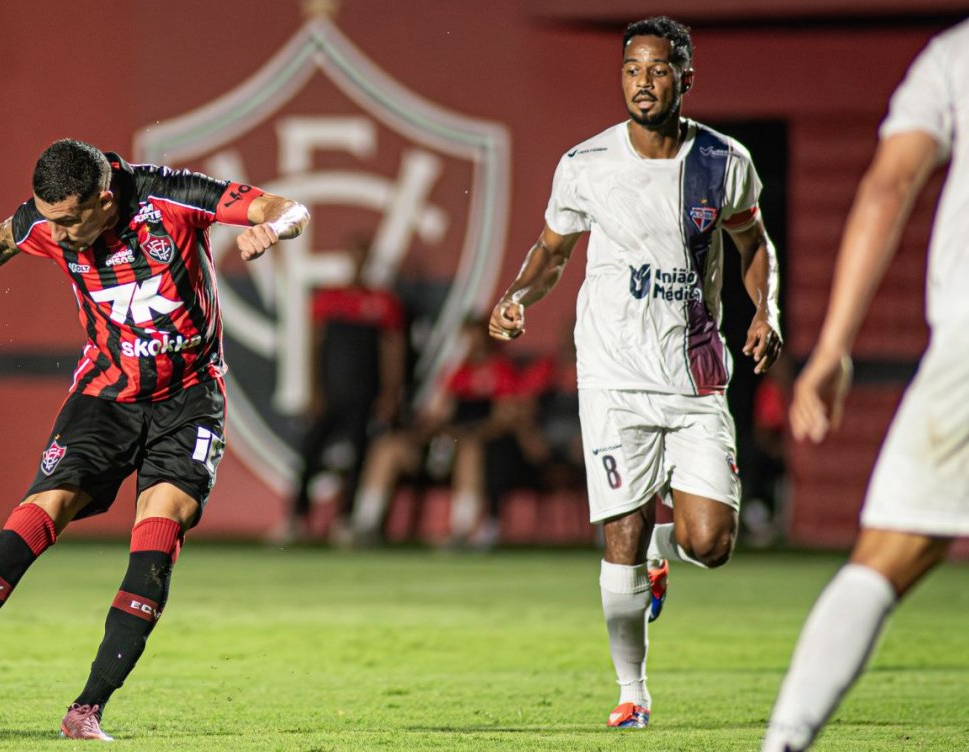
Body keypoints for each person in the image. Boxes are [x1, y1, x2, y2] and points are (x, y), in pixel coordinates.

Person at [0, 138, 308, 741]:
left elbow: (290, 207)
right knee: (38, 513)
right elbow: (0, 239)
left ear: (104, 200)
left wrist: (273, 230)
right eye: (49, 219)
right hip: (104, 398)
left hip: (189, 403)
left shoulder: (172, 197)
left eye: (70, 221)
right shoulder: (48, 219)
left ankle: (86, 710)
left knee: (158, 536)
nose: (58, 234)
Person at [487, 16, 782, 729]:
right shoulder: (586, 164)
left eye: (657, 70)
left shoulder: (724, 161)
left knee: (710, 544)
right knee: (618, 532)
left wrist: (764, 310)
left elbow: (753, 243)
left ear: (685, 77)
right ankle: (632, 693)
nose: (642, 84)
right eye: (631, 70)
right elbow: (551, 251)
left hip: (695, 373)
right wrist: (518, 296)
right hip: (613, 376)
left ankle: (661, 547)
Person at [762, 20, 969, 751]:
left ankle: (783, 744)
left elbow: (888, 185)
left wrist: (833, 348)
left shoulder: (955, 53)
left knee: (884, 560)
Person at [346, 315, 528, 549]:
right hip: (445, 445)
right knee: (387, 448)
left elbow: (504, 419)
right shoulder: (454, 373)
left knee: (469, 449)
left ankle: (463, 530)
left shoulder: (501, 371)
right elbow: (437, 415)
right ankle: (365, 524)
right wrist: (425, 432)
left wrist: (468, 433)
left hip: (482, 449)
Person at [270, 239, 405, 547]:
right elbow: (315, 346)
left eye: (364, 257)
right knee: (310, 452)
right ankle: (297, 519)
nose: (359, 263)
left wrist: (390, 393)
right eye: (355, 256)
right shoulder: (329, 298)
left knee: (359, 457)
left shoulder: (383, 302)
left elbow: (392, 350)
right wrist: (314, 389)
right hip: (331, 392)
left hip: (365, 393)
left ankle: (346, 521)